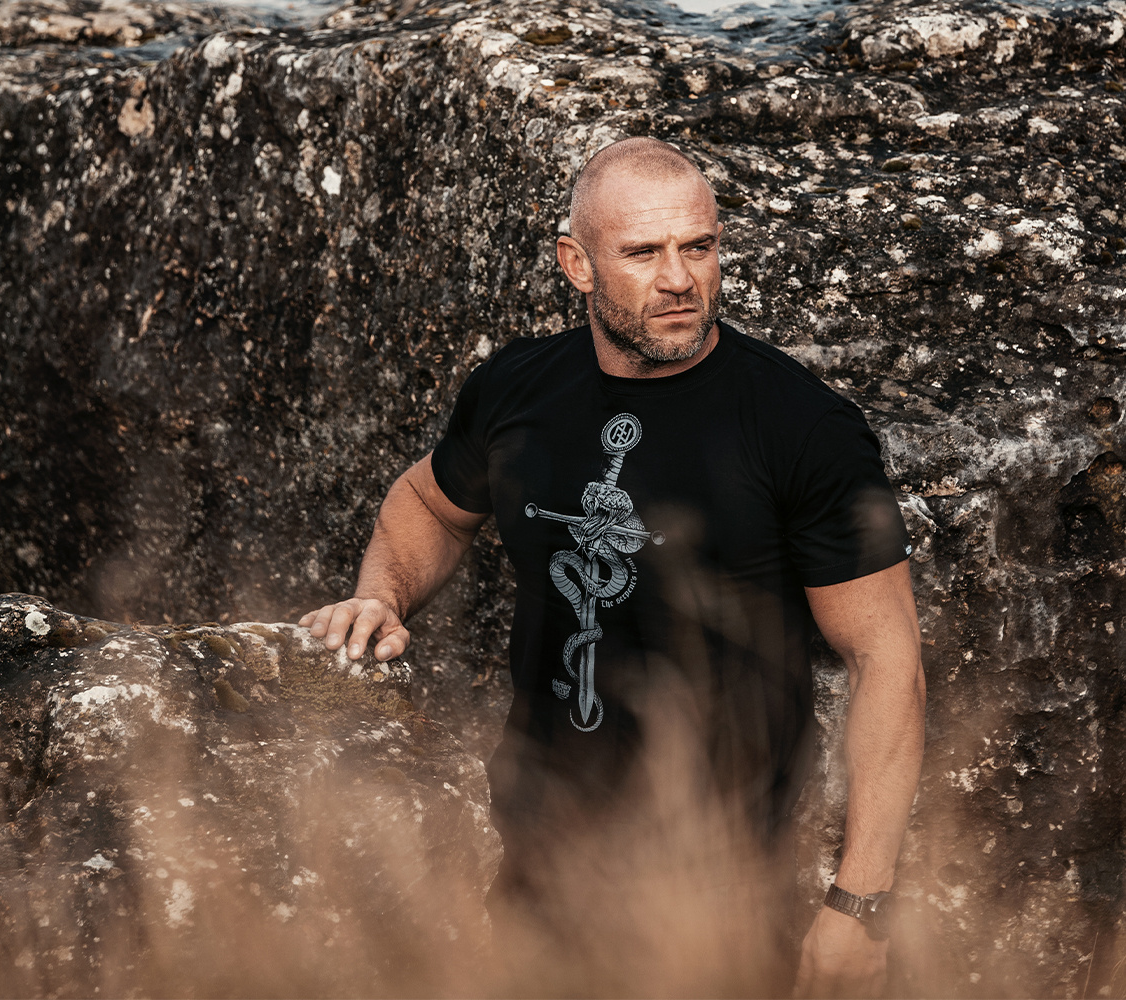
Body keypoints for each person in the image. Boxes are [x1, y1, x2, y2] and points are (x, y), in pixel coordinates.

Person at [299, 137, 926, 997]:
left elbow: (886, 658)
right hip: (537, 854)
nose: (679, 280)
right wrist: (381, 596)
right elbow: (429, 504)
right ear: (577, 264)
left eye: (698, 247)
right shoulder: (519, 387)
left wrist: (858, 905)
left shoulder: (801, 427)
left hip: (719, 884)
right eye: (642, 253)